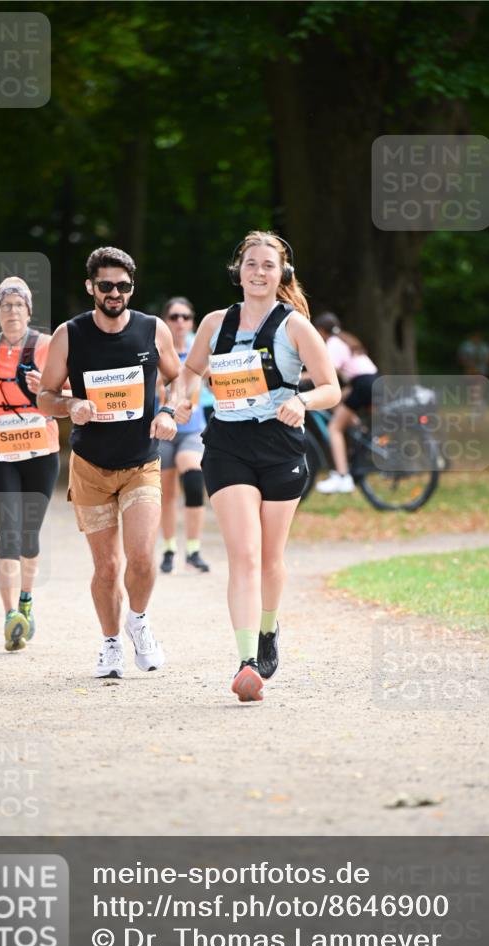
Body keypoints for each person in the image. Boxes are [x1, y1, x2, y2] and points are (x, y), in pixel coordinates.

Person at [174, 231, 339, 703]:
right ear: (238, 269)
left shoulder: (295, 326)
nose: (259, 272)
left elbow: (331, 387)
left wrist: (302, 401)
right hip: (227, 445)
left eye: (269, 265)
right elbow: (189, 372)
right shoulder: (213, 322)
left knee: (270, 556)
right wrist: (181, 401)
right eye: (251, 263)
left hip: (280, 445)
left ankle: (269, 630)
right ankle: (247, 659)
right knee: (243, 554)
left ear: (281, 272)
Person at [38, 246, 181, 679]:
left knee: (140, 557)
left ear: (132, 288)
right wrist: (71, 405)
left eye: (122, 286)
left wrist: (168, 412)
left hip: (141, 461)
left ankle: (137, 620)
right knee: (107, 566)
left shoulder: (153, 330)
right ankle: (111, 644)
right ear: (91, 287)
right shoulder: (69, 334)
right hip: (91, 467)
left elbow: (177, 380)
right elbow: (45, 397)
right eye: (106, 285)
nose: (114, 292)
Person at [0, 277, 60, 652]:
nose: (12, 312)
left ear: (29, 310)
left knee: (29, 533)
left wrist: (46, 391)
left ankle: (26, 600)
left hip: (40, 441)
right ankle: (10, 617)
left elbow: (69, 395)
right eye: (5, 305)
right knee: (9, 528)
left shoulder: (48, 346)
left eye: (18, 305)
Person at [157, 297, 209, 574]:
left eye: (186, 317)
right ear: (166, 321)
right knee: (167, 492)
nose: (180, 322)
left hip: (192, 430)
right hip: (164, 429)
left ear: (193, 321)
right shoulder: (156, 351)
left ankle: (193, 549)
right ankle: (168, 549)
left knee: (193, 478)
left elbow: (218, 379)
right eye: (175, 316)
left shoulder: (199, 352)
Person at [315, 319, 379, 495]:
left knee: (334, 428)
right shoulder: (347, 339)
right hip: (370, 381)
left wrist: (302, 378)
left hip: (361, 383)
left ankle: (342, 477)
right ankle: (359, 430)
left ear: (321, 331)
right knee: (337, 401)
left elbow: (329, 370)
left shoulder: (333, 343)